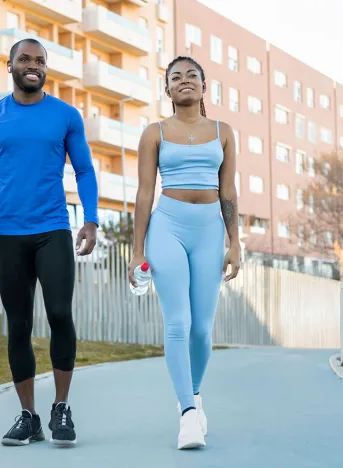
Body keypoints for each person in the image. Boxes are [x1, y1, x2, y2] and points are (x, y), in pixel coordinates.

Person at [0, 38, 99, 447]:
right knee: (18, 325)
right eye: (24, 59)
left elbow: (85, 171)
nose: (32, 65)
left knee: (59, 314)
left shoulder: (66, 116)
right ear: (10, 65)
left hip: (52, 230)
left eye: (39, 60)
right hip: (10, 234)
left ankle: (61, 407)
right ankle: (28, 415)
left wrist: (90, 220)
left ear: (45, 68)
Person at [128, 56, 241, 450]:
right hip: (168, 227)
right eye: (176, 77)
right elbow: (144, 193)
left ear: (203, 86)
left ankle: (194, 394)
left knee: (202, 327)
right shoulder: (153, 132)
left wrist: (235, 242)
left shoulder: (223, 132)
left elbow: (228, 192)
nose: (184, 81)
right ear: (168, 90)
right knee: (177, 323)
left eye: (192, 75)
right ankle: (188, 414)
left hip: (210, 229)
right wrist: (137, 249)